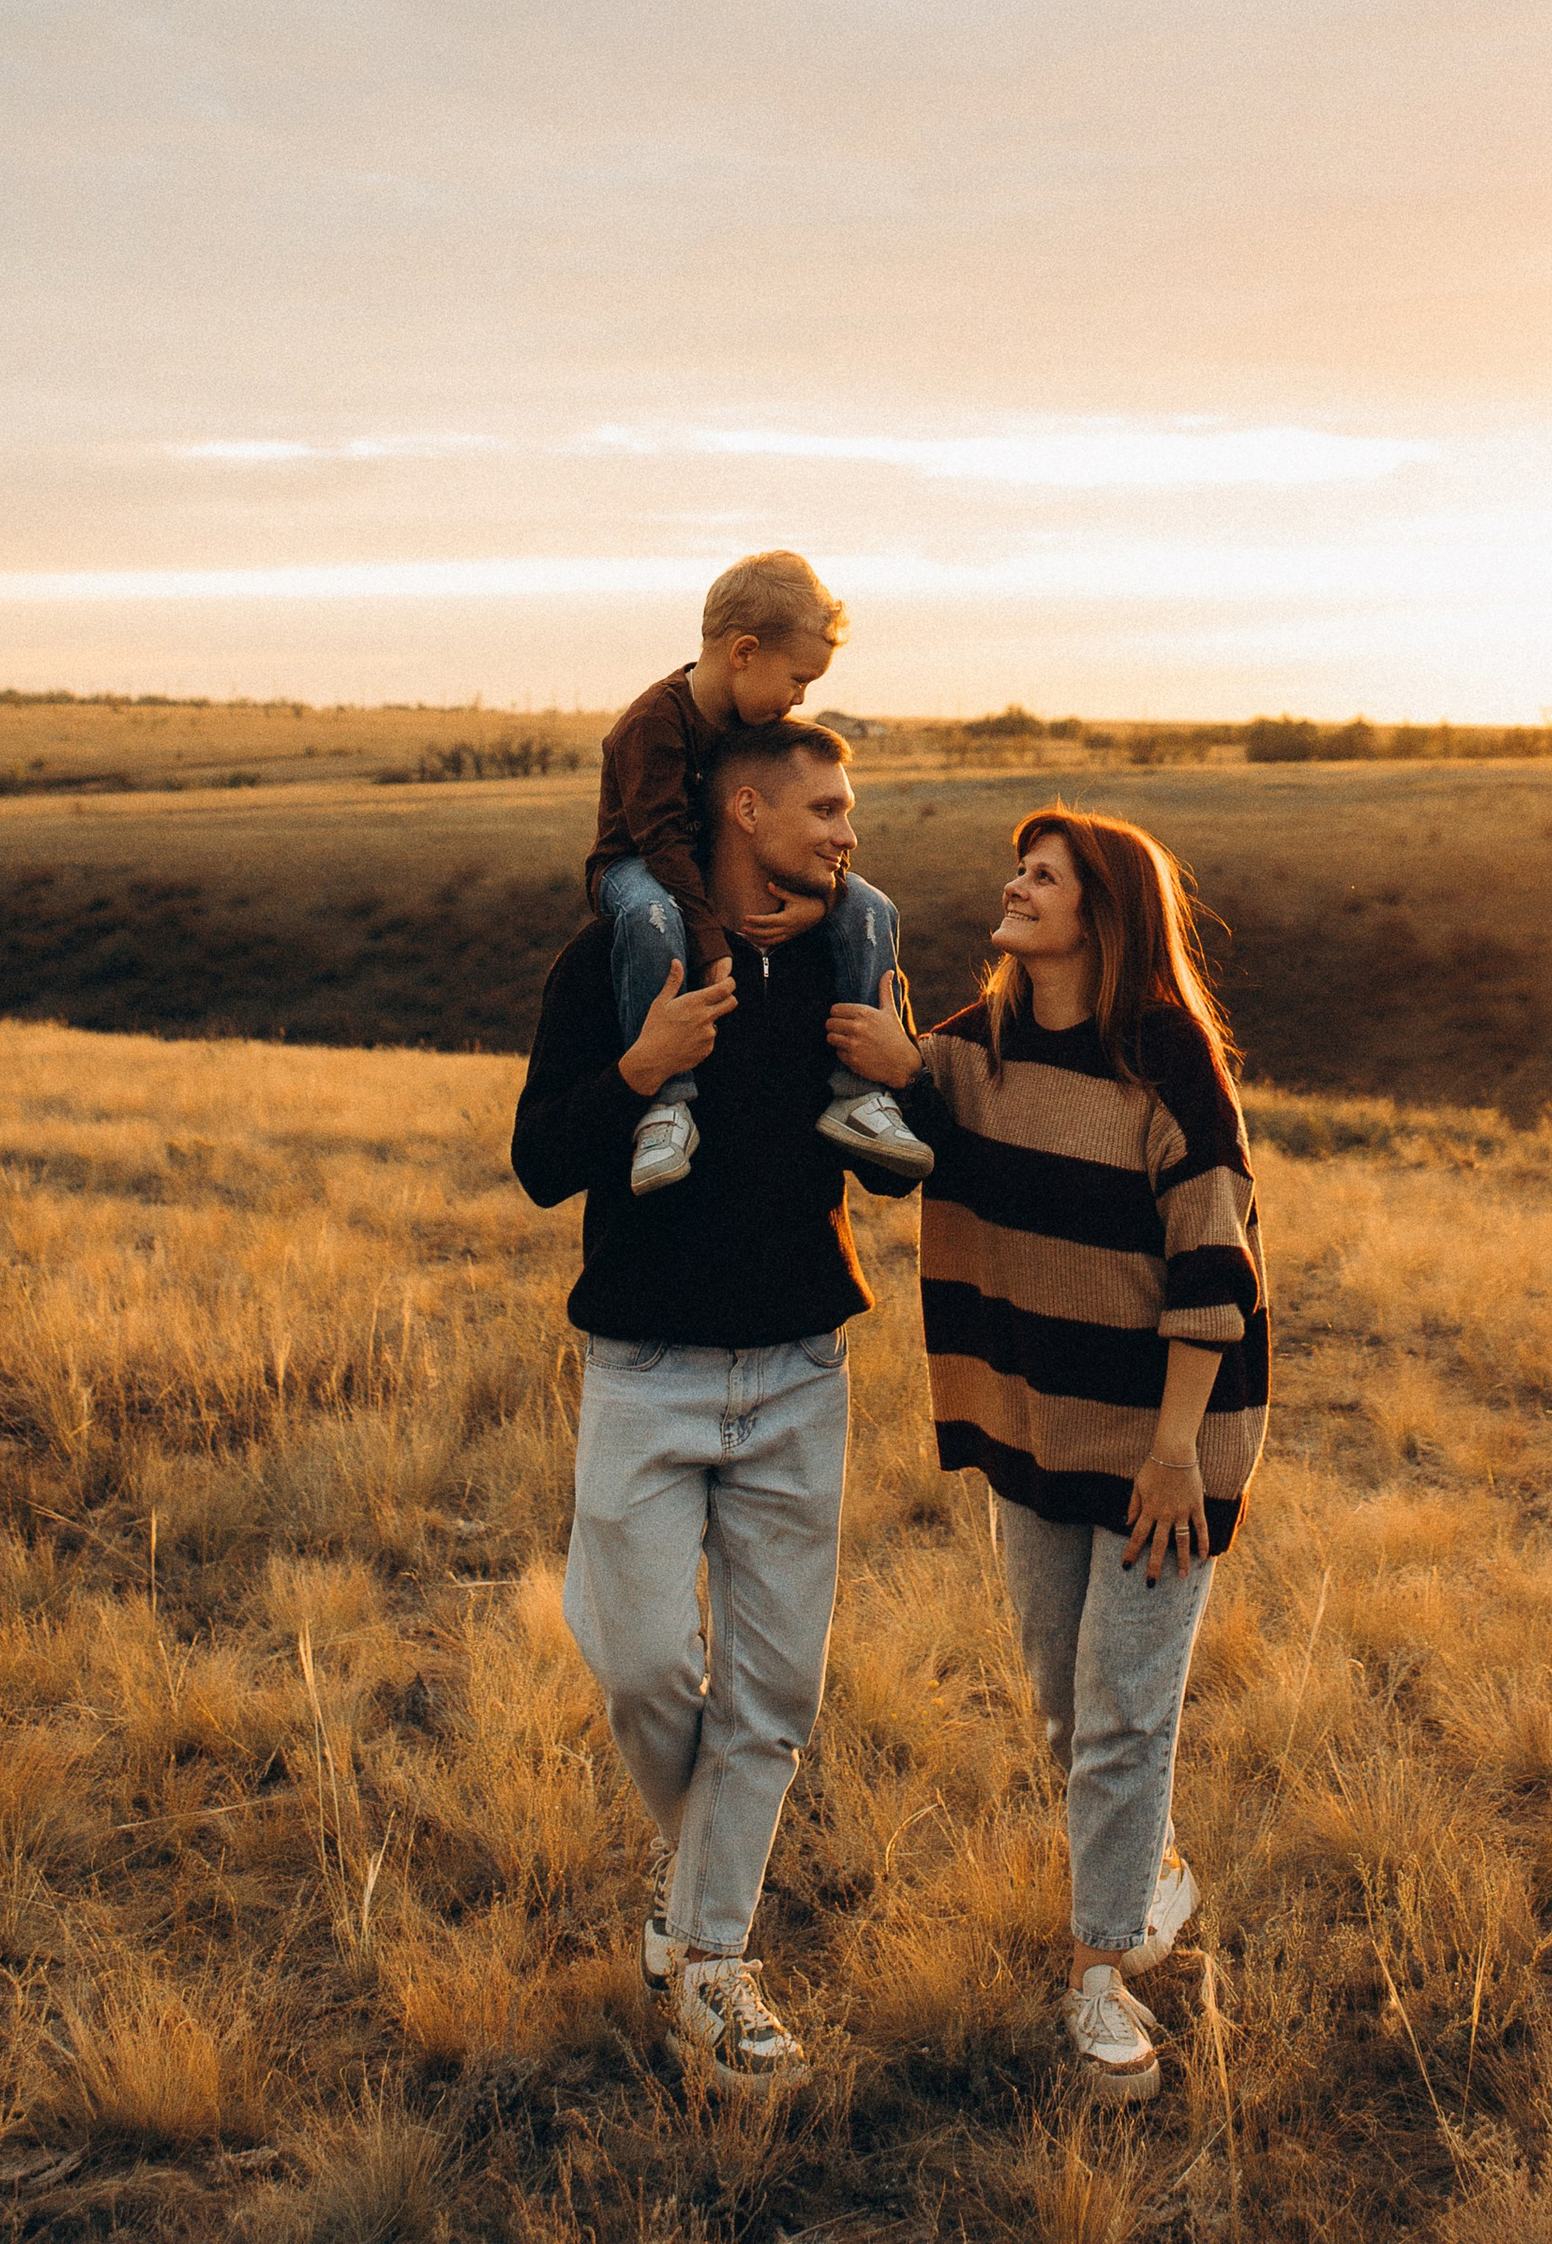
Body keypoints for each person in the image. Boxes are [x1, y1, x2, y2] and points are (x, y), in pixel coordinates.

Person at [827, 806, 1268, 2103]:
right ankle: (1153, 1875)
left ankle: (1100, 1982)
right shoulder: (974, 1054)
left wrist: (1177, 1451)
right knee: (1068, 1704)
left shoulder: (1168, 1060)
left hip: (1166, 1443)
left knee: (1125, 1715)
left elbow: (1215, 1257)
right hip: (1032, 1430)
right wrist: (874, 1052)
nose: (1015, 888)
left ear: (1102, 915)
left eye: (1045, 876)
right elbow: (903, 1131)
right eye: (1018, 870)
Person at [514, 716, 923, 2090]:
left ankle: (710, 1963)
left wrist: (892, 1065)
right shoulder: (615, 961)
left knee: (774, 1696)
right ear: (744, 812)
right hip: (647, 1371)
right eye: (827, 808)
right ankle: (698, 1901)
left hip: (802, 1368)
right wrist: (640, 1067)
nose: (846, 833)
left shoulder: (848, 956)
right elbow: (536, 1161)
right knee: (641, 1668)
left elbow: (890, 1174)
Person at [584, 549, 930, 1194]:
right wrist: (714, 942)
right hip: (634, 866)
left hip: (808, 1285)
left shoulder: (760, 723)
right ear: (744, 652)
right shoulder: (654, 723)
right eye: (798, 679)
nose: (801, 699)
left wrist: (823, 902)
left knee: (873, 907)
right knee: (651, 913)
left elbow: (811, 829)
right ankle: (665, 1100)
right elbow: (661, 842)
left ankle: (860, 1093)